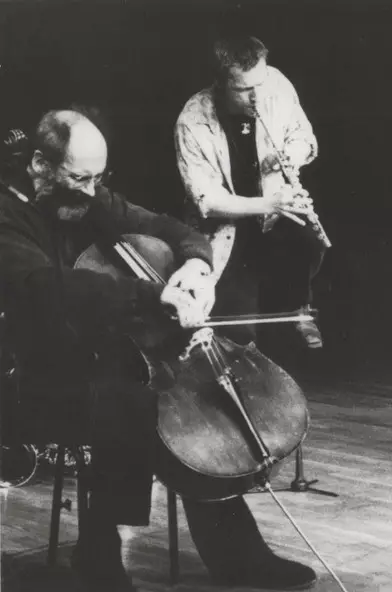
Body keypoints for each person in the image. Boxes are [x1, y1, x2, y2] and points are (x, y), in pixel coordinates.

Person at [0, 109, 317, 591]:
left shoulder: (88, 196)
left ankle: (233, 553)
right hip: (34, 371)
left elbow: (171, 229)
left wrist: (195, 266)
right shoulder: (7, 213)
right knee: (136, 404)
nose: (91, 190)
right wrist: (153, 296)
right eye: (79, 178)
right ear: (41, 165)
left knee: (181, 400)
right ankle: (101, 551)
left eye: (98, 178)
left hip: (104, 354)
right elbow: (46, 286)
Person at [175, 35, 327, 349]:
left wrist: (291, 156)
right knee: (238, 331)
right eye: (244, 90)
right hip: (227, 227)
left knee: (306, 241)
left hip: (275, 210)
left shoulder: (275, 83)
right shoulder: (192, 120)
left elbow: (302, 136)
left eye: (260, 84)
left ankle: (298, 308)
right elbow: (208, 201)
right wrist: (269, 204)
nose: (257, 97)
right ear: (221, 84)